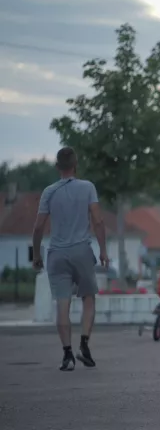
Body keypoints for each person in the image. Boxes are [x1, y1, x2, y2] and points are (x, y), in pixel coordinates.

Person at [32, 147, 109, 371]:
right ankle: (84, 344)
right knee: (88, 298)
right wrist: (103, 250)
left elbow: (38, 227)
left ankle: (67, 355)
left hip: (56, 253)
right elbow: (98, 221)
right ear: (76, 165)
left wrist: (37, 255)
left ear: (58, 167)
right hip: (81, 251)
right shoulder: (87, 188)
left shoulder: (49, 192)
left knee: (62, 304)